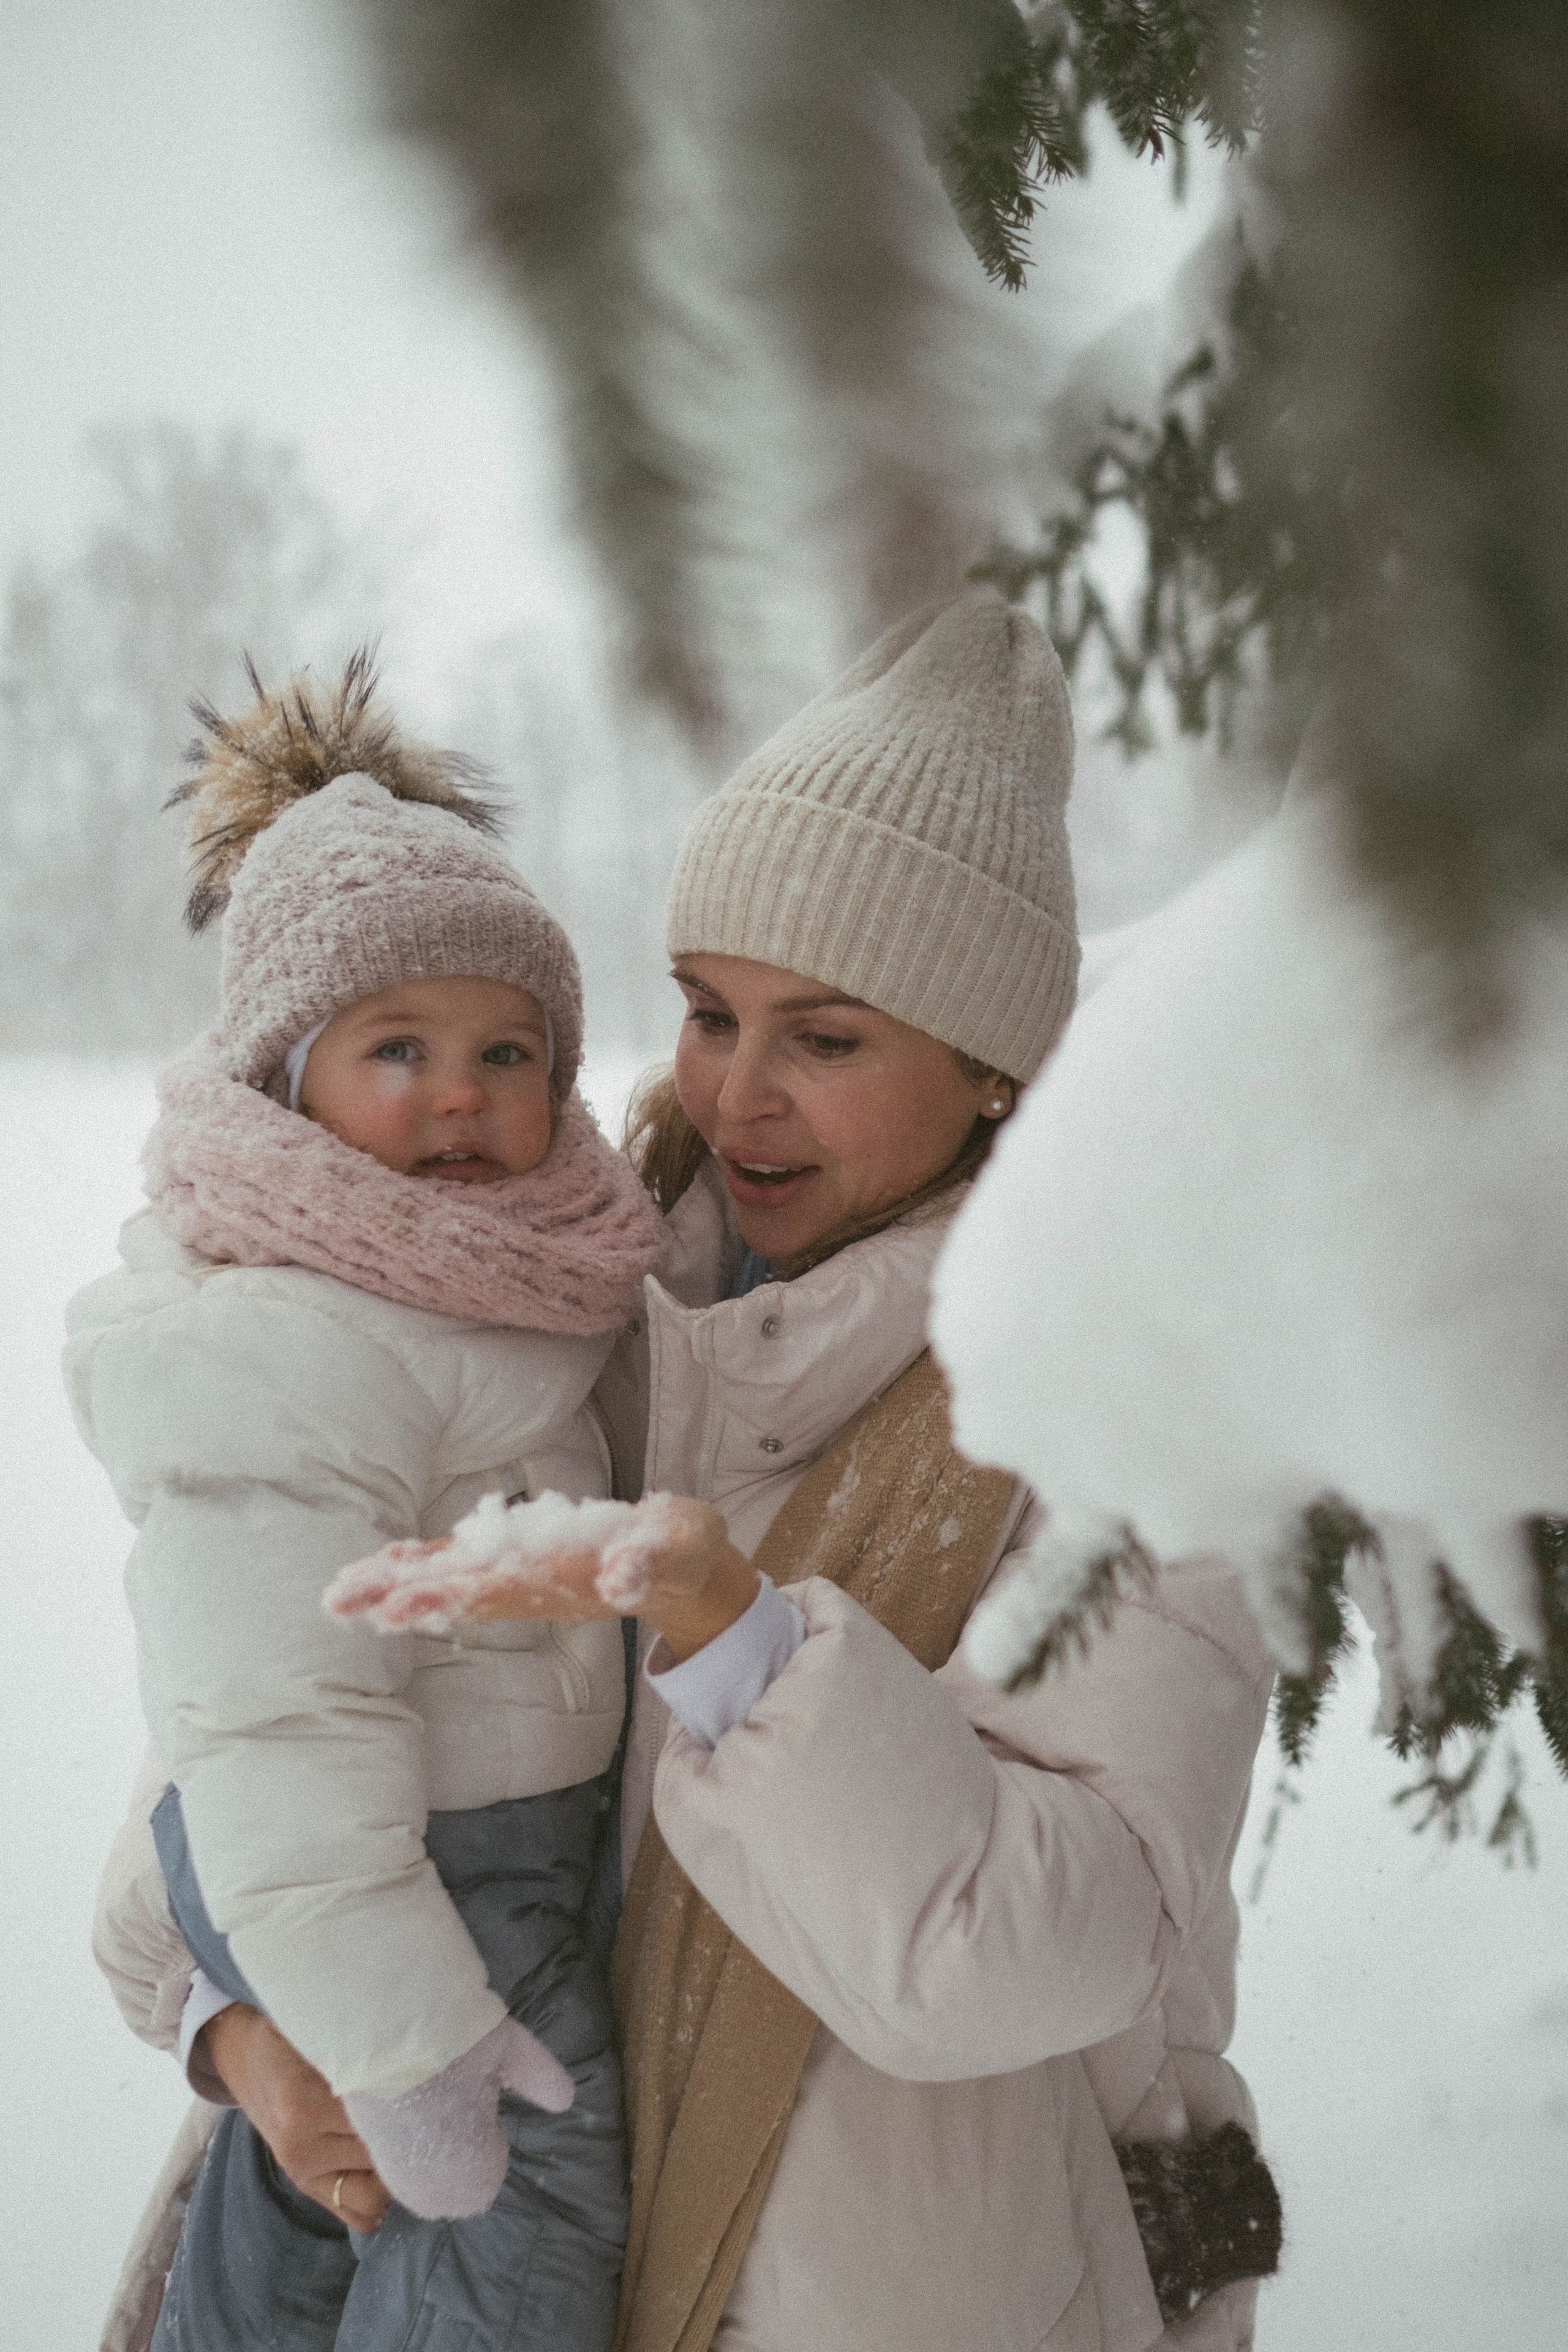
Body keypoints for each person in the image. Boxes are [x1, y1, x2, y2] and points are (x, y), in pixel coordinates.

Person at [96, 597, 1279, 2352]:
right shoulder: (573, 1303)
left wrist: (748, 1656)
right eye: (709, 1014)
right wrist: (246, 2024)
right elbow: (254, 1734)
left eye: (828, 1036)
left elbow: (1041, 1938)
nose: (737, 1097)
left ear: (987, 1066)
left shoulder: (1127, 1397)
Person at [67, 659, 663, 2352]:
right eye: (396, 1046)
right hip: (404, 1876)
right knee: (513, 2191)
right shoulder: (289, 1332)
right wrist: (411, 2043)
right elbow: (267, 1715)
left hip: (395, 1863)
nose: (461, 1092)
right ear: (286, 1082)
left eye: (507, 1049)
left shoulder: (522, 1294)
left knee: (290, 2228)